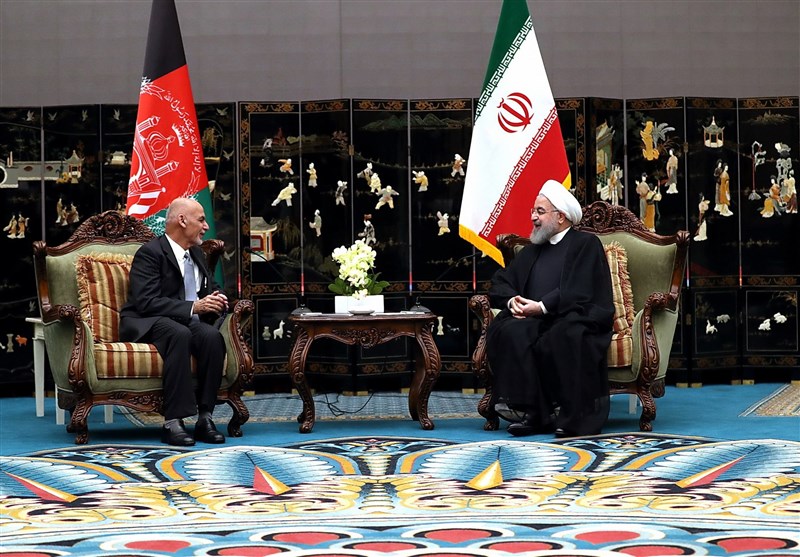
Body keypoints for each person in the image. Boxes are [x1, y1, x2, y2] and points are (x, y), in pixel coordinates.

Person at [485, 180, 614, 438]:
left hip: (575, 315)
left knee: (566, 334)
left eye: (540, 212)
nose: (533, 217)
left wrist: (542, 306)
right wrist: (512, 301)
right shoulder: (533, 250)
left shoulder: (585, 244)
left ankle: (574, 418)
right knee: (510, 330)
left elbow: (581, 290)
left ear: (561, 217)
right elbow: (500, 282)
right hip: (537, 320)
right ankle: (535, 413)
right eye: (533, 211)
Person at [120, 197, 229, 446]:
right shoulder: (150, 252)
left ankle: (205, 418)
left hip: (184, 321)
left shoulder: (197, 254)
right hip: (148, 320)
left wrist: (218, 298)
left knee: (212, 337)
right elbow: (146, 301)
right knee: (180, 333)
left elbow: (211, 287)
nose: (206, 227)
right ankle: (172, 422)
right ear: (182, 220)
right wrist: (194, 307)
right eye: (201, 220)